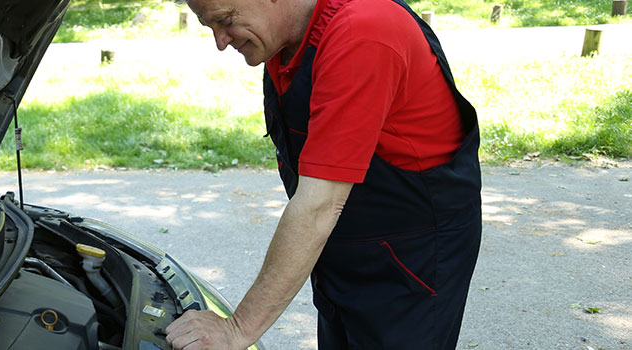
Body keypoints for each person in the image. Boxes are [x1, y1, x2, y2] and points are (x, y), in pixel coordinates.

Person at [163, 0, 483, 347]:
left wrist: (238, 329)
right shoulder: (285, 38)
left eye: (225, 21)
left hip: (410, 261)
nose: (220, 41)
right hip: (344, 247)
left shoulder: (363, 31)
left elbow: (319, 206)